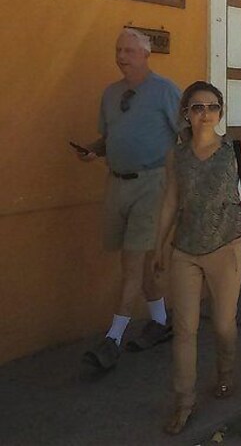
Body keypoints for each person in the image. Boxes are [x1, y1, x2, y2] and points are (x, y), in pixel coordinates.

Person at [155, 81, 241, 434]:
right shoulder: (176, 155)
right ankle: (184, 402)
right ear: (186, 114)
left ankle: (225, 374)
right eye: (196, 107)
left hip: (225, 248)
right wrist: (158, 247)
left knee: (224, 325)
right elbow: (169, 202)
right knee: (185, 330)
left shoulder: (236, 151)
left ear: (220, 113)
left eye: (211, 107)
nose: (204, 113)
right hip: (184, 251)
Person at [75, 28, 181, 370]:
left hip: (153, 184)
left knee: (132, 263)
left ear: (146, 55)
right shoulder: (110, 94)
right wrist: (92, 151)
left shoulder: (164, 90)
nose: (122, 56)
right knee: (141, 261)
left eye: (129, 51)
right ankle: (162, 322)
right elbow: (109, 137)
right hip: (117, 184)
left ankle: (113, 339)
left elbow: (186, 135)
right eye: (118, 49)